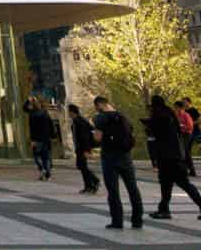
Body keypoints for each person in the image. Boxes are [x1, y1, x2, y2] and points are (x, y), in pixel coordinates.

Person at [144, 95, 201, 220]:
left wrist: (149, 126)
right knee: (168, 184)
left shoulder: (160, 116)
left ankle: (164, 210)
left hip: (167, 157)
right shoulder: (170, 114)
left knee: (180, 184)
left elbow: (157, 133)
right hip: (174, 156)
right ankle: (163, 209)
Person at [92, 95, 143, 230]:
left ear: (99, 105)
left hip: (109, 158)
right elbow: (131, 134)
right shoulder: (123, 116)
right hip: (126, 157)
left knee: (113, 191)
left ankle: (117, 221)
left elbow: (97, 138)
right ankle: (137, 220)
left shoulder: (100, 118)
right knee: (133, 189)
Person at [68, 104, 100, 194]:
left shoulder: (80, 122)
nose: (68, 114)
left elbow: (84, 137)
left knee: (82, 166)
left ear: (72, 112)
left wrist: (86, 150)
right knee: (81, 166)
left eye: (69, 112)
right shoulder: (76, 121)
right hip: (80, 147)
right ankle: (89, 185)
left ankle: (93, 182)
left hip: (83, 147)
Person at [24, 96, 54, 180]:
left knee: (37, 156)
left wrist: (27, 100)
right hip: (46, 138)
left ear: (31, 106)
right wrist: (52, 136)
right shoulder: (45, 113)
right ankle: (47, 173)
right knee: (46, 156)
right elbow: (51, 125)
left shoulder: (32, 114)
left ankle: (43, 170)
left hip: (37, 139)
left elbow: (24, 109)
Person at [174, 100, 196, 177]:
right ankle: (184, 170)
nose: (175, 109)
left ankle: (192, 169)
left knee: (185, 152)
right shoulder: (177, 115)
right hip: (180, 135)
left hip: (187, 134)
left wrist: (182, 126)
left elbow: (190, 126)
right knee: (181, 152)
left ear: (180, 107)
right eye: (175, 107)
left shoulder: (186, 115)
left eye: (176, 107)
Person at [187, 98, 201, 178]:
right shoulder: (183, 111)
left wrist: (191, 123)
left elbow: (199, 120)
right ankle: (190, 170)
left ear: (189, 102)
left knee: (187, 151)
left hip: (195, 132)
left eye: (185, 102)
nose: (184, 103)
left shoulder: (193, 110)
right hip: (188, 133)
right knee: (187, 151)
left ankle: (191, 170)